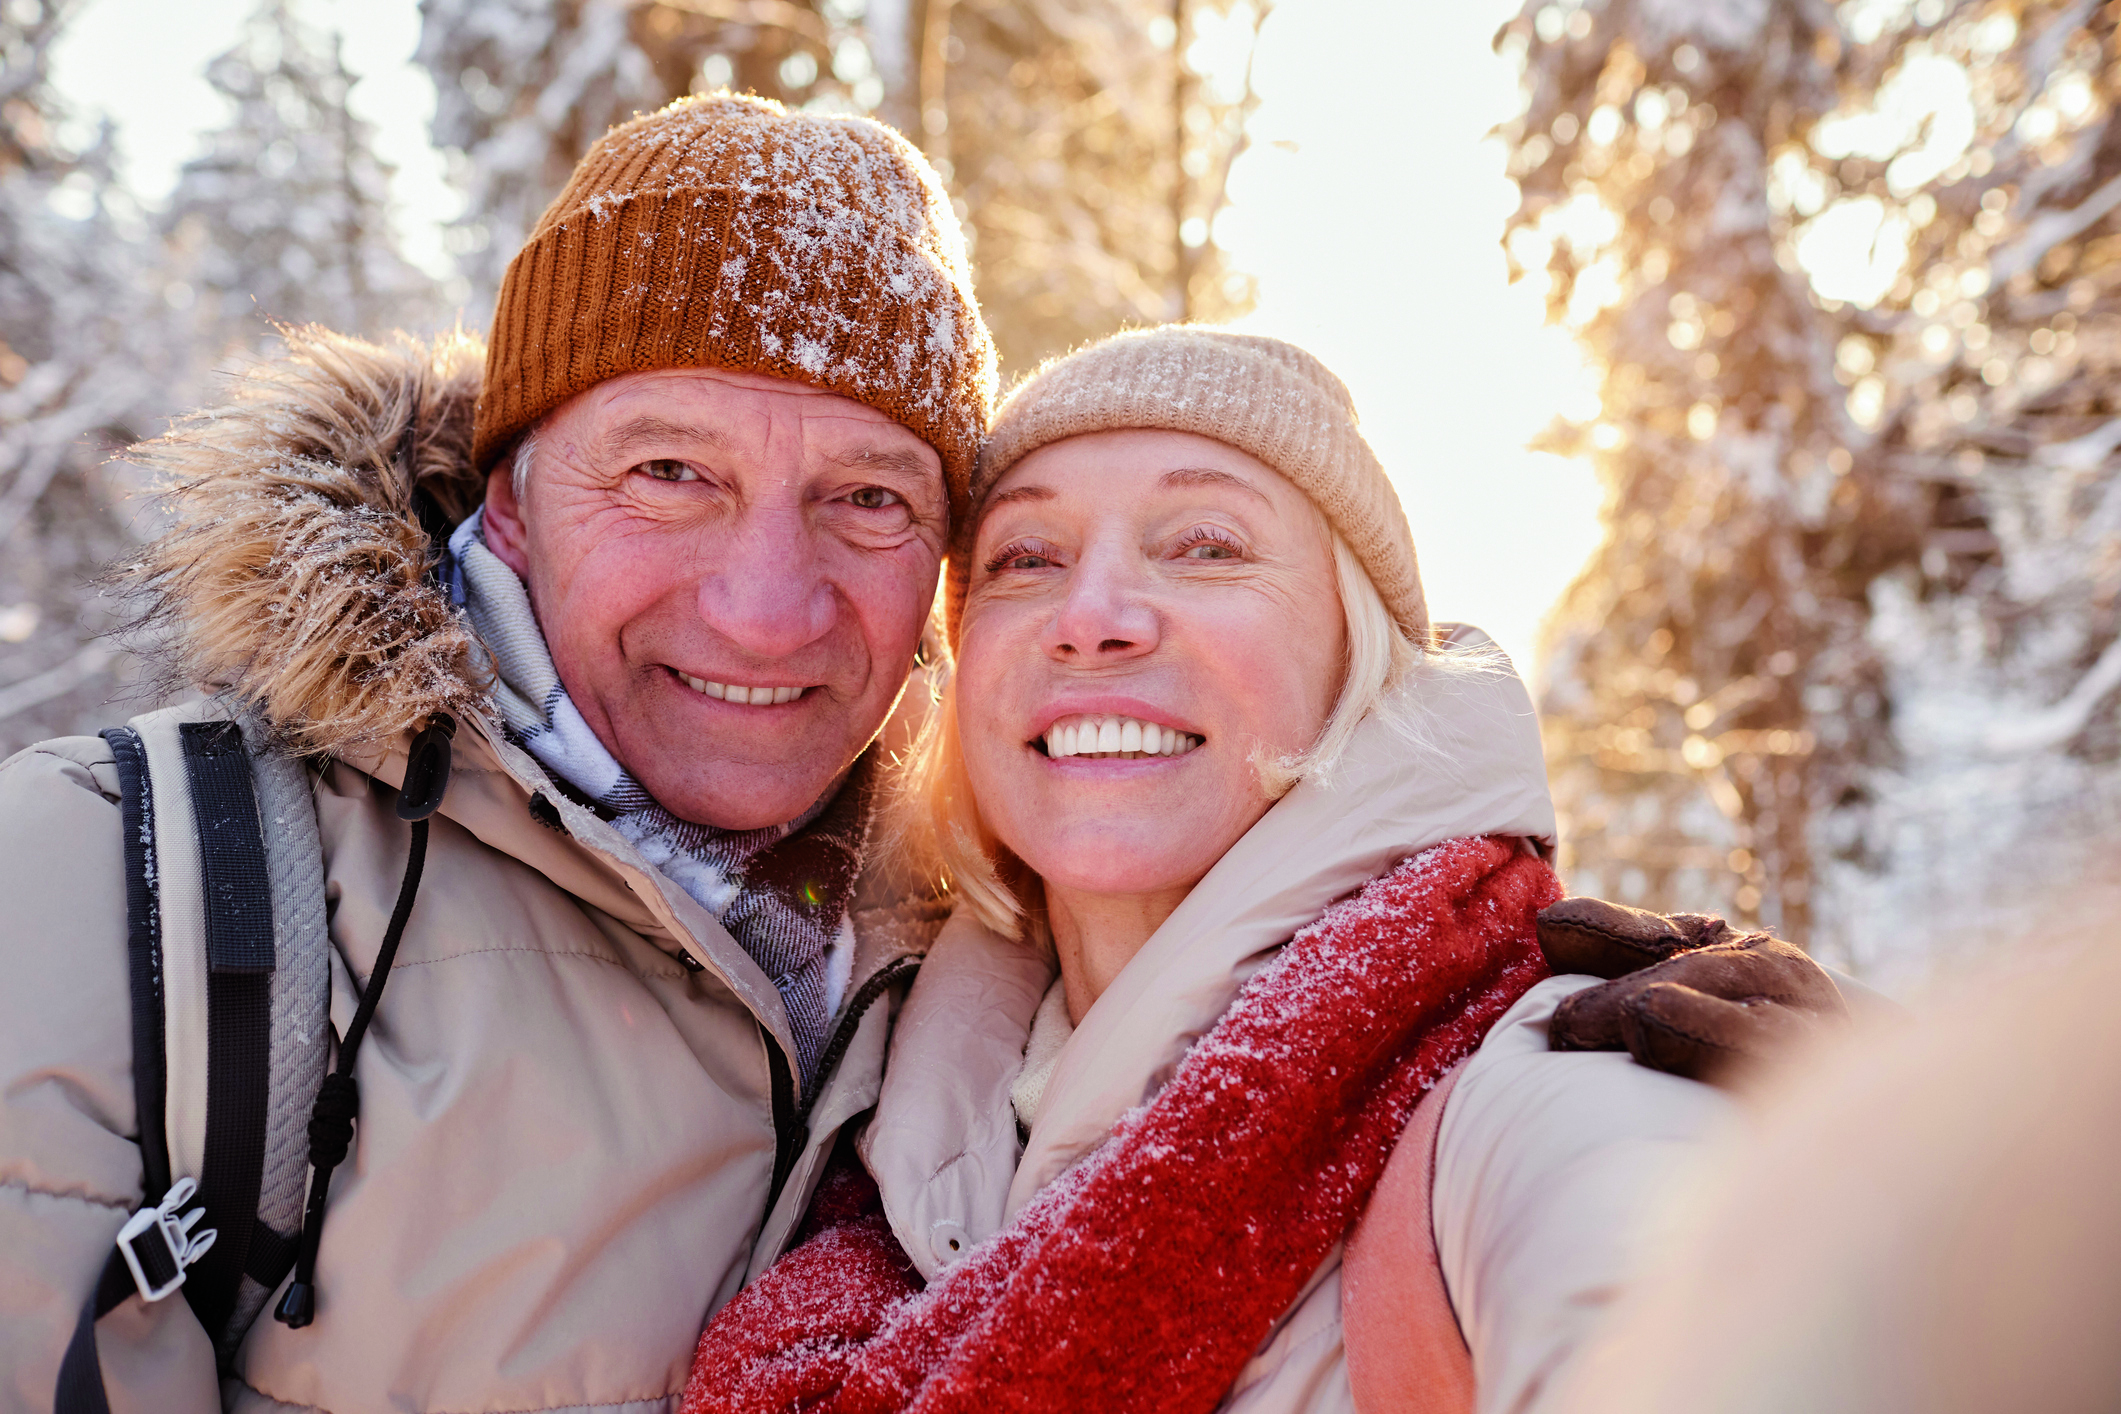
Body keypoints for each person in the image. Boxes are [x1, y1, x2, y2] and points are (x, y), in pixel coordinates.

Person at [0, 94, 995, 1412]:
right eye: (669, 472)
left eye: (869, 496)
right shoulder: (100, 878)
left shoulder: (1010, 930)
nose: (768, 608)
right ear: (510, 499)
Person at [679, 327, 1849, 1414]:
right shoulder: (876, 1162)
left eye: (1206, 546)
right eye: (1027, 557)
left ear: (1359, 656)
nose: (1092, 617)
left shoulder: (1536, 1097)